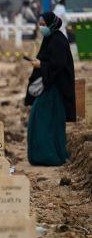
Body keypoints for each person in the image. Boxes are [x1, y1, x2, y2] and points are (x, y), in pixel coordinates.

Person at [25, 12, 75, 166]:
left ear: (51, 24)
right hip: (48, 86)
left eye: (43, 25)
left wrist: (41, 65)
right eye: (39, 24)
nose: (41, 27)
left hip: (56, 89)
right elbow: (48, 60)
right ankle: (40, 156)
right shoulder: (49, 39)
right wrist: (39, 63)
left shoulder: (58, 41)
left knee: (45, 122)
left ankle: (50, 156)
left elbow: (58, 66)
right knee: (39, 120)